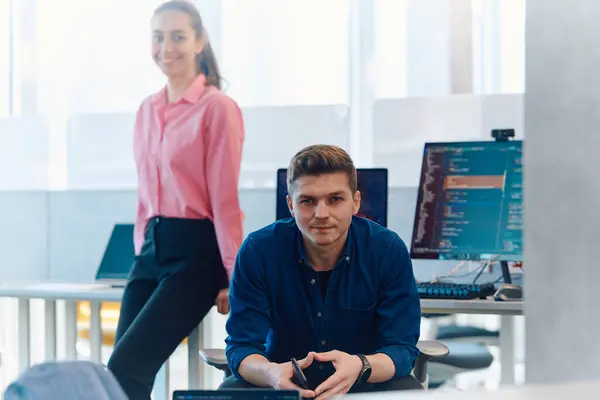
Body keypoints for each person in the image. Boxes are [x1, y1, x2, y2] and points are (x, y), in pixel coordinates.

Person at [106, 1, 244, 399]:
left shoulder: (218, 108)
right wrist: (141, 251)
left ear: (199, 41)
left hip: (196, 254)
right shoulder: (147, 110)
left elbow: (224, 200)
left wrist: (234, 275)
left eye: (178, 36)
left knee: (126, 366)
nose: (167, 46)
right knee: (118, 374)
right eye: (158, 36)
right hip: (153, 248)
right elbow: (145, 196)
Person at [223, 145, 422, 399]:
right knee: (229, 391)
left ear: (355, 202)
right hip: (283, 385)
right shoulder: (258, 251)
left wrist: (361, 366)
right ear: (291, 205)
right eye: (307, 201)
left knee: (408, 390)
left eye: (335, 199)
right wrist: (270, 374)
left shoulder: (386, 250)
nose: (321, 214)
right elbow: (242, 346)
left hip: (363, 384)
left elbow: (401, 348)